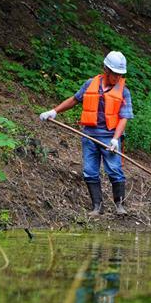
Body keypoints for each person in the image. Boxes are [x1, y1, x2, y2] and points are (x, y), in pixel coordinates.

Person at [39, 51, 133, 216]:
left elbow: (124, 117)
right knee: (90, 171)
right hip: (90, 135)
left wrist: (115, 139)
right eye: (115, 74)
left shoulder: (123, 91)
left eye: (120, 75)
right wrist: (54, 111)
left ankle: (120, 206)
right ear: (106, 70)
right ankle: (97, 207)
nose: (117, 78)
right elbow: (74, 100)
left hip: (110, 137)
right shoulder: (91, 84)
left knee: (114, 170)